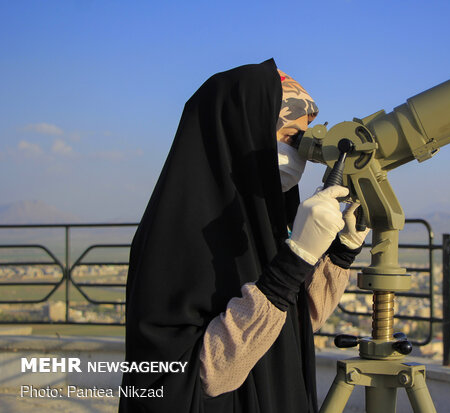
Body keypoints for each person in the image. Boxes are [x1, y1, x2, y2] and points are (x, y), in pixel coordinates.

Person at [119, 58, 368, 413]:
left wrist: (340, 251)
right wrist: (291, 263)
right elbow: (196, 377)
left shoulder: (261, 221)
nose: (300, 157)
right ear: (242, 133)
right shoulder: (175, 238)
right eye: (289, 139)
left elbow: (289, 325)